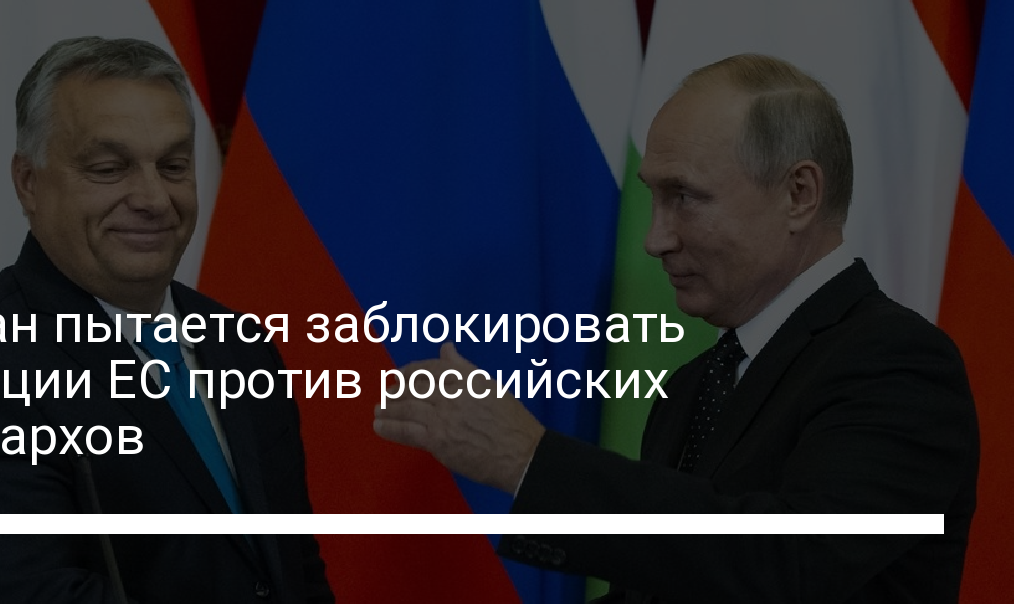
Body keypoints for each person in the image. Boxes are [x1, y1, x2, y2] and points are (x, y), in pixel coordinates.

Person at [374, 54, 979, 603]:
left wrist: (526, 458)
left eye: (684, 197)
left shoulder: (898, 363)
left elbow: (795, 567)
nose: (655, 239)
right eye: (655, 199)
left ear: (799, 194)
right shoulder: (693, 386)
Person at [0, 37, 334, 604]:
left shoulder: (240, 343)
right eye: (108, 168)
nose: (154, 198)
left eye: (173, 166)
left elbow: (296, 569)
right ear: (28, 182)